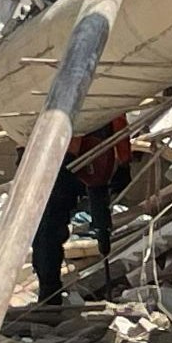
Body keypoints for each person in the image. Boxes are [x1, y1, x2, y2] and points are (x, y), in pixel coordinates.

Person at [33, 114, 131, 304]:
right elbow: (118, 120)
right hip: (65, 154)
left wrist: (124, 161)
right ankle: (49, 293)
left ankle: (49, 293)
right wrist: (124, 161)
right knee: (49, 226)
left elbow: (118, 119)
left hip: (85, 154)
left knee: (49, 226)